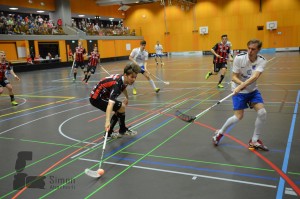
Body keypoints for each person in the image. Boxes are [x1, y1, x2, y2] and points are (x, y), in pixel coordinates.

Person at [212, 39, 268, 151]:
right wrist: (241, 85)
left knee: (262, 112)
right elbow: (234, 77)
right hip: (239, 92)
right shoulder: (239, 58)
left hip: (252, 91)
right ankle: (219, 133)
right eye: (249, 48)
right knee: (238, 117)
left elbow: (255, 77)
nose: (250, 51)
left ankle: (254, 140)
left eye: (253, 49)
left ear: (258, 50)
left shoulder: (262, 60)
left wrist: (243, 85)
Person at [89, 63, 140, 139]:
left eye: (135, 77)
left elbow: (124, 87)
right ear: (125, 75)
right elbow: (110, 104)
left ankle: (117, 131)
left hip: (102, 96)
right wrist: (107, 121)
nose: (134, 79)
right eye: (132, 77)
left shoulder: (125, 80)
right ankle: (117, 131)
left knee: (120, 108)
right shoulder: (117, 84)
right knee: (121, 107)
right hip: (96, 98)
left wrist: (127, 97)